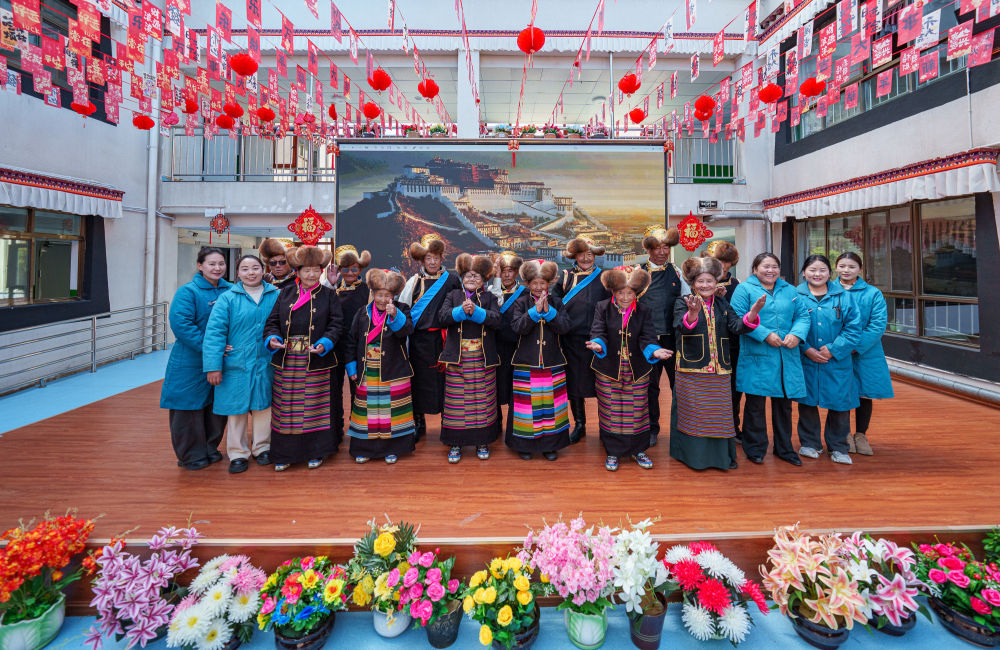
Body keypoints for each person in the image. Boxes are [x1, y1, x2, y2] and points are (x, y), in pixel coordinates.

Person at [669, 257, 764, 471]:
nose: (705, 285)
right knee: (693, 415)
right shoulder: (682, 302)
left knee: (719, 415)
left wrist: (753, 313)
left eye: (709, 281)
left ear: (716, 282)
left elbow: (736, 327)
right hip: (691, 370)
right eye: (700, 281)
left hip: (720, 370)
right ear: (693, 283)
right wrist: (692, 313)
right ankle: (694, 458)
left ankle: (721, 457)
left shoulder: (722, 303)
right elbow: (681, 327)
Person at [264, 245, 344, 472]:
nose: (311, 274)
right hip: (288, 359)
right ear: (297, 271)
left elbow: (337, 324)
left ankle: (316, 451)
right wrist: (272, 338)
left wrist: (325, 343)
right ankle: (284, 453)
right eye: (306, 270)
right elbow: (272, 322)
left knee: (314, 407)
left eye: (315, 270)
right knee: (286, 407)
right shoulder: (285, 293)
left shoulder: (329, 295)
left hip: (315, 359)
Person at [585, 266, 673, 472]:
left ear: (636, 293)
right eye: (620, 293)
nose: (625, 298)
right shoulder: (602, 307)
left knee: (638, 410)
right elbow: (598, 330)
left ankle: (639, 450)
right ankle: (613, 451)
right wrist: (598, 344)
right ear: (613, 292)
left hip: (637, 369)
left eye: (630, 293)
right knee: (611, 410)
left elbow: (648, 337)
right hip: (608, 368)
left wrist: (655, 350)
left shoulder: (643, 310)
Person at [730, 253, 811, 466]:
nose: (770, 270)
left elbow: (803, 316)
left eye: (774, 266)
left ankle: (784, 449)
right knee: (755, 405)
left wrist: (797, 334)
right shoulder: (744, 289)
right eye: (765, 266)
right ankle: (755, 448)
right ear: (755, 269)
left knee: (784, 406)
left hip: (786, 354)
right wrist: (764, 334)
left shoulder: (790, 290)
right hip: (757, 354)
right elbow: (738, 318)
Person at [202, 255, 279, 474]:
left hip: (266, 360)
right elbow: (215, 333)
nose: (251, 273)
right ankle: (238, 453)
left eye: (255, 268)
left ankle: (262, 448)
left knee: (264, 406)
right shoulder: (228, 298)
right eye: (245, 269)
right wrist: (213, 366)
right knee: (236, 409)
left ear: (263, 270)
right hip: (236, 361)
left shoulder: (276, 295)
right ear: (237, 273)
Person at [161, 247, 232, 470]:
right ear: (200, 266)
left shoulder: (231, 290)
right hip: (190, 361)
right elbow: (182, 325)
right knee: (188, 409)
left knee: (216, 407)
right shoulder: (188, 292)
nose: (217, 268)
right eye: (212, 264)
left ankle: (210, 448)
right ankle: (191, 455)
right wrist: (212, 348)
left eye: (221, 263)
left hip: (222, 360)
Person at [344, 268, 417, 464]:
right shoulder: (362, 312)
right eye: (380, 295)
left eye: (388, 295)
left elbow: (407, 331)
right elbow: (351, 341)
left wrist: (395, 316)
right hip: (367, 369)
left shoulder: (402, 309)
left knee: (391, 411)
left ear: (394, 295)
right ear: (373, 294)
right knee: (367, 411)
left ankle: (392, 448)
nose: (384, 300)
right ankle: (364, 449)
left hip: (394, 370)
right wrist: (352, 368)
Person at [796, 255, 862, 465]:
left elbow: (854, 329)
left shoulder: (844, 296)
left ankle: (839, 447)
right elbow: (789, 325)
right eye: (812, 270)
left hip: (836, 360)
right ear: (804, 272)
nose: (817, 274)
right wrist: (806, 349)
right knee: (807, 403)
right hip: (806, 358)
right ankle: (809, 443)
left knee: (840, 403)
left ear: (829, 273)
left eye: (822, 270)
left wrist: (833, 349)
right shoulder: (796, 295)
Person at [504, 260, 572, 460]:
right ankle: (524, 445)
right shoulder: (520, 302)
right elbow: (517, 327)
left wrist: (549, 313)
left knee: (551, 406)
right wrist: (534, 312)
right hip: (526, 361)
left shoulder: (557, 302)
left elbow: (565, 327)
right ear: (527, 283)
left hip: (553, 361)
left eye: (543, 283)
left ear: (549, 283)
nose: (539, 287)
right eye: (535, 283)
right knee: (526, 407)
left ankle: (550, 446)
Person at [437, 254, 502, 463]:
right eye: (468, 275)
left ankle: (482, 442)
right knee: (457, 403)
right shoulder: (453, 295)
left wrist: (477, 312)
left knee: (482, 401)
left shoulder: (490, 298)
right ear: (461, 277)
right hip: (457, 358)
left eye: (476, 276)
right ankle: (455, 443)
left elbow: (497, 321)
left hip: (483, 358)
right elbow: (442, 317)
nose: (472, 278)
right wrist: (460, 311)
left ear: (484, 280)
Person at [398, 233, 462, 441]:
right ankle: (418, 422)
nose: (432, 262)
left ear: (442, 258)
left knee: (447, 382)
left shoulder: (452, 280)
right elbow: (405, 309)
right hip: (420, 342)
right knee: (419, 382)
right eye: (428, 258)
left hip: (445, 340)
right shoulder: (414, 282)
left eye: (436, 258)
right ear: (422, 260)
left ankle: (448, 422)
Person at [551, 237, 610, 444]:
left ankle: (607, 427)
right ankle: (579, 424)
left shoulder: (604, 277)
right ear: (575, 256)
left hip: (599, 339)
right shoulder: (566, 276)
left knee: (603, 384)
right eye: (582, 254)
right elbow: (555, 302)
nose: (586, 258)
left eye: (590, 254)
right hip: (571, 339)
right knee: (574, 384)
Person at [835, 251, 893, 455]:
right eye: (842, 266)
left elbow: (877, 325)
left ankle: (861, 434)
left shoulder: (872, 293)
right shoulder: (829, 290)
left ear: (860, 269)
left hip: (866, 352)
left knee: (864, 393)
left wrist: (854, 346)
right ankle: (843, 434)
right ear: (836, 267)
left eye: (851, 267)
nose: (846, 270)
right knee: (841, 392)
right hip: (837, 351)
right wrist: (840, 347)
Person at [637, 225, 688, 447]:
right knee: (650, 388)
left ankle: (682, 428)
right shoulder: (638, 273)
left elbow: (687, 301)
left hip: (673, 338)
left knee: (680, 386)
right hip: (647, 340)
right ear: (648, 249)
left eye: (665, 247)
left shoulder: (677, 272)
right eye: (656, 248)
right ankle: (651, 429)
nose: (661, 252)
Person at [325, 245, 372, 450]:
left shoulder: (368, 290)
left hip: (359, 346)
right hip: (335, 345)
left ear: (360, 269)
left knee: (358, 388)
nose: (350, 273)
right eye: (346, 269)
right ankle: (335, 430)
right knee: (333, 389)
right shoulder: (331, 289)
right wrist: (331, 285)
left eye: (354, 269)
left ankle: (358, 429)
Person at [706, 240, 744, 441]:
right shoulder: (701, 283)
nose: (723, 265)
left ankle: (732, 427)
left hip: (732, 344)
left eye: (726, 261)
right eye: (718, 260)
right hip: (708, 344)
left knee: (733, 388)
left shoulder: (737, 285)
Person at [493, 251, 524, 427]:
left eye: (510, 271)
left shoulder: (526, 293)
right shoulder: (490, 292)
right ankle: (496, 422)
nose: (506, 275)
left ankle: (515, 424)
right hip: (495, 347)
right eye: (502, 271)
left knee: (516, 386)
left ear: (517, 272)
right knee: (495, 385)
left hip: (517, 347)